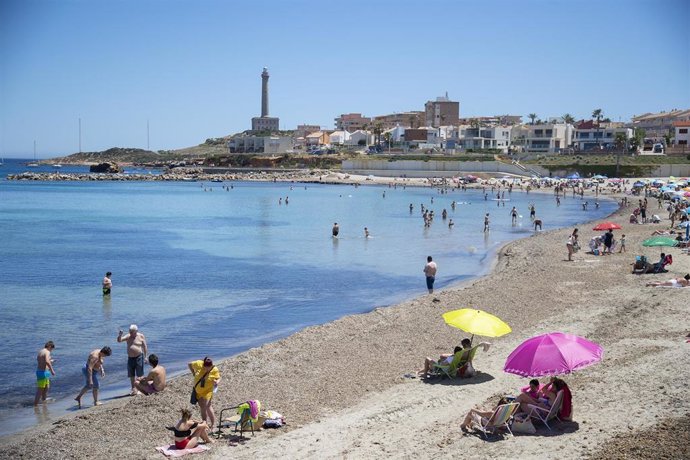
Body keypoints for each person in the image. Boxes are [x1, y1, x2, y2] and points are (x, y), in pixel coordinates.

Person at [188, 357, 221, 430]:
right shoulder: (199, 363)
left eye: (208, 368)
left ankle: (213, 424)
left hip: (207, 391)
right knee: (202, 407)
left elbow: (218, 378)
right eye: (205, 368)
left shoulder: (214, 369)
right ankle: (204, 423)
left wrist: (217, 382)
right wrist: (193, 372)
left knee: (207, 406)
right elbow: (189, 364)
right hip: (198, 391)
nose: (206, 370)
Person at [117, 325, 148, 395]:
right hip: (130, 358)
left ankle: (141, 388)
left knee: (140, 374)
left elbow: (145, 346)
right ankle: (133, 389)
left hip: (139, 357)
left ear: (136, 331)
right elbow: (119, 340)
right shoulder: (128, 336)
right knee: (131, 375)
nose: (130, 333)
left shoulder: (141, 336)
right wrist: (120, 335)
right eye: (130, 332)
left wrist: (146, 357)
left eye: (132, 332)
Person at [34, 341, 56, 406]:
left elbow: (41, 361)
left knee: (46, 387)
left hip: (44, 372)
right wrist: (52, 370)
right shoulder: (47, 352)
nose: (51, 351)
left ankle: (44, 401)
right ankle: (35, 405)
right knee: (40, 390)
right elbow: (46, 361)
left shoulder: (41, 351)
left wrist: (50, 361)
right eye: (52, 349)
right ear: (49, 346)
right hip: (42, 372)